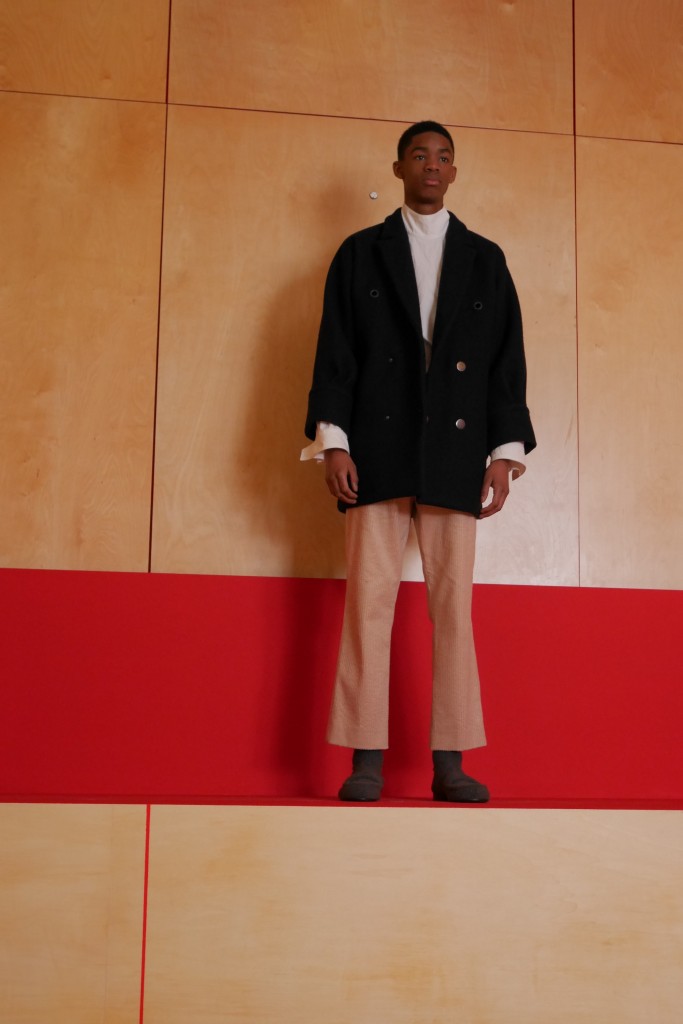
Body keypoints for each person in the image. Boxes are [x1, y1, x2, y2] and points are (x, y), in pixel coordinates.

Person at [301, 120, 536, 803]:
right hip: (375, 449)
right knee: (367, 605)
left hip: (456, 452)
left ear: (454, 172)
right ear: (399, 167)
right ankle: (365, 759)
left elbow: (505, 362)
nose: (431, 165)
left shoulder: (485, 259)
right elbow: (336, 352)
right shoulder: (359, 253)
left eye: (443, 157)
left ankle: (450, 761)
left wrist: (503, 454)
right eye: (419, 155)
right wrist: (335, 441)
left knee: (453, 610)